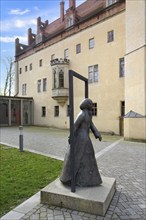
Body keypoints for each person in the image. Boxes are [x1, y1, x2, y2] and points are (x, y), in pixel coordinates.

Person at [60, 98, 102, 187]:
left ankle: (88, 179)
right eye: (91, 104)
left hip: (85, 138)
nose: (92, 106)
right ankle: (72, 178)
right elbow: (75, 125)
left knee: (88, 156)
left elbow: (91, 125)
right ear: (86, 105)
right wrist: (71, 136)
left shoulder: (88, 114)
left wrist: (97, 133)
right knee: (79, 157)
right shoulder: (82, 114)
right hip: (80, 139)